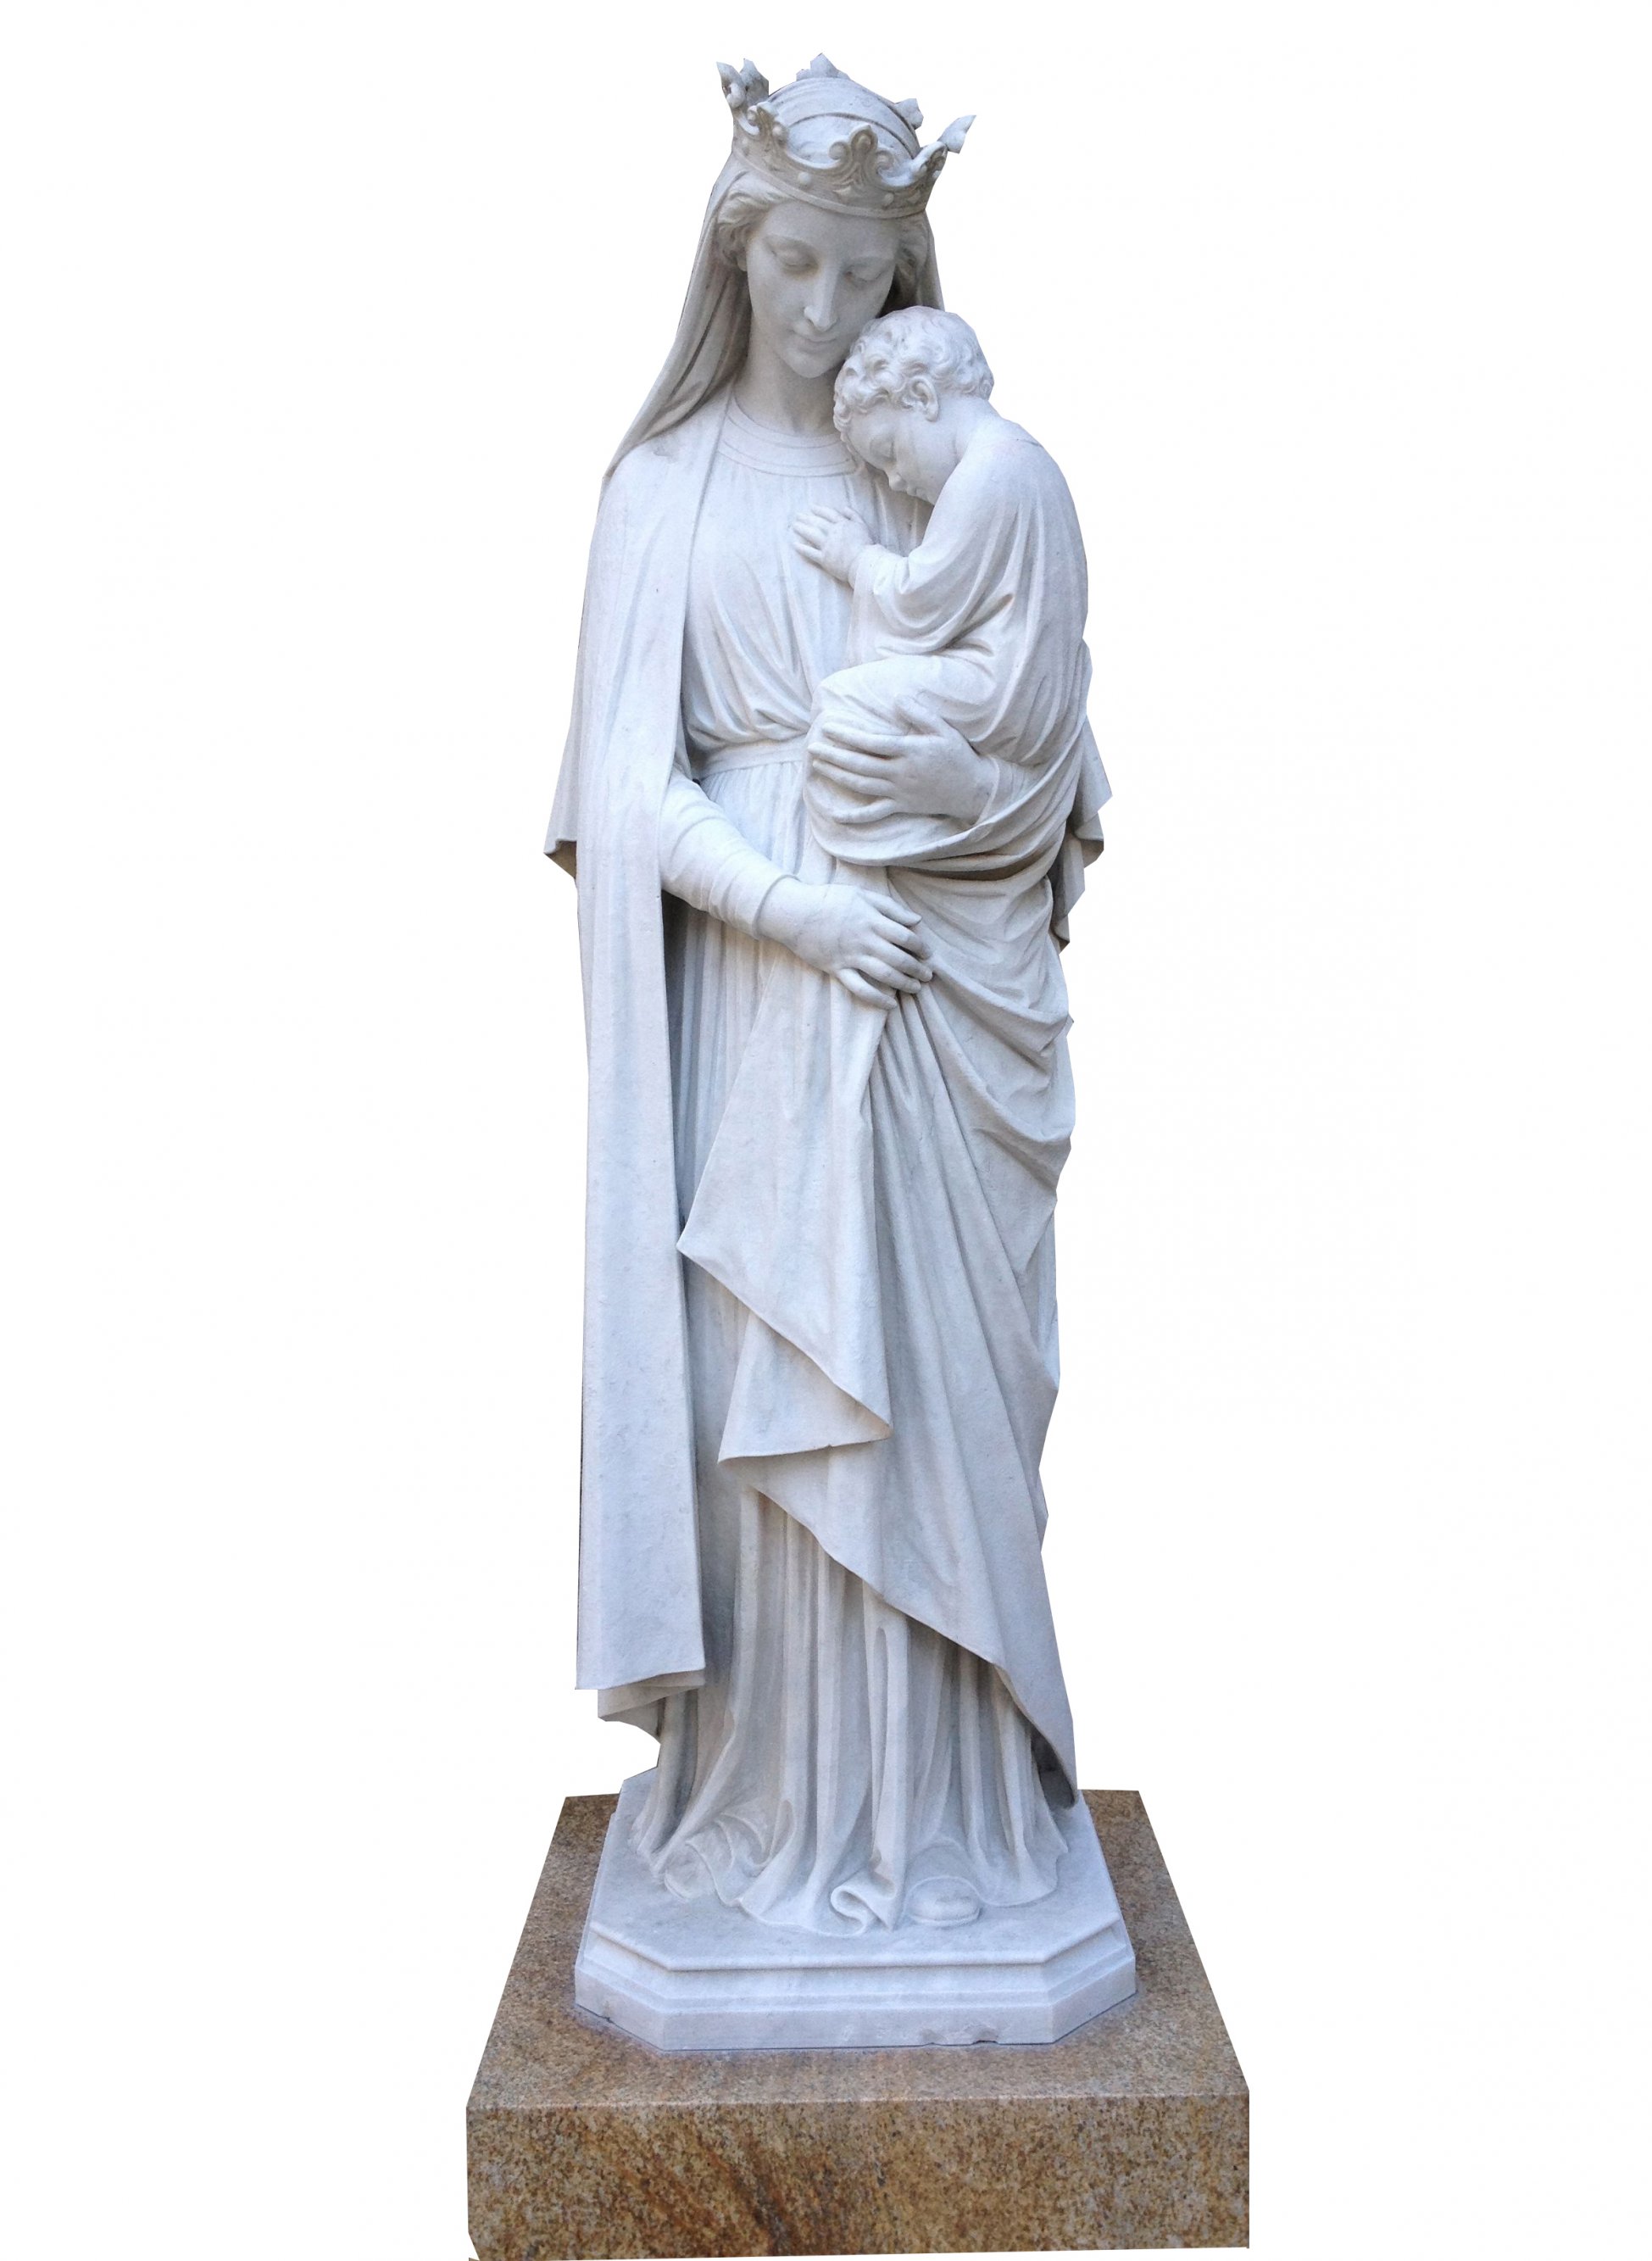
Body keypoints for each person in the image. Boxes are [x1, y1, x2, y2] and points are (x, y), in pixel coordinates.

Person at [545, 55, 1110, 1935]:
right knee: (786, 1393)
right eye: (793, 259)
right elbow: (630, 792)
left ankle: (946, 1817)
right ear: (734, 250)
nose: (821, 306)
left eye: (863, 272)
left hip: (941, 971)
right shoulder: (666, 486)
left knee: (939, 1396)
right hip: (770, 991)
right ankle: (791, 1809)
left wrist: (987, 794)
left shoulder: (948, 470)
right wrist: (799, 912)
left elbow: (1046, 724)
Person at [792, 305, 1094, 871]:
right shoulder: (1024, 460)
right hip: (1022, 690)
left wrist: (856, 557)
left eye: (889, 453)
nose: (896, 480)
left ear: (923, 397)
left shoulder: (988, 471)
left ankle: (900, 841)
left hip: (999, 694)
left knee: (841, 707)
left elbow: (919, 602)